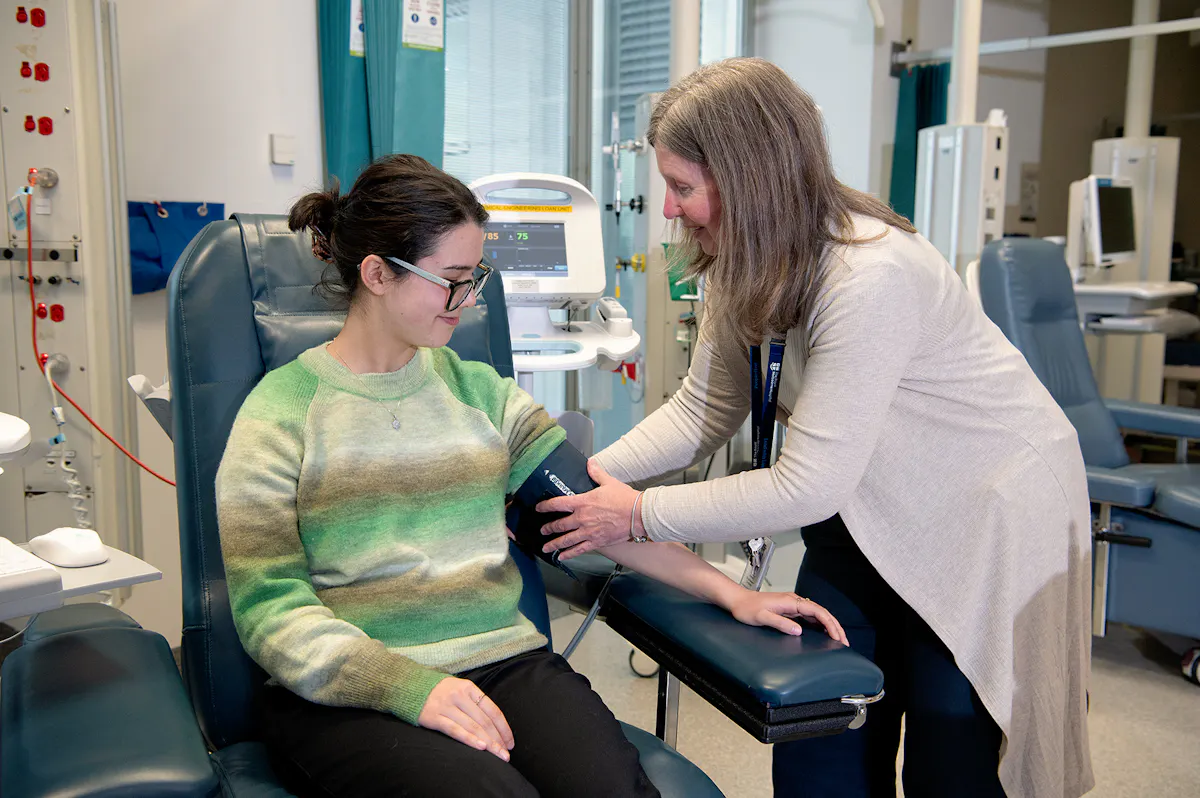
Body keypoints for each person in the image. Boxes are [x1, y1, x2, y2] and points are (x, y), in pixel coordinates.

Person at [537, 58, 1094, 798]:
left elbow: (807, 484)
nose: (668, 210)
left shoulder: (869, 274)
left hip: (982, 513)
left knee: (949, 752)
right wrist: (588, 480)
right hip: (866, 504)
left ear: (749, 177)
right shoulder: (742, 263)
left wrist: (632, 512)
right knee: (823, 738)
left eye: (681, 187)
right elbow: (703, 410)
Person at [215, 153, 847, 798]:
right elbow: (270, 609)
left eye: (477, 275)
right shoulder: (281, 413)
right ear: (376, 274)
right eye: (452, 278)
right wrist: (409, 688)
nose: (469, 299)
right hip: (349, 691)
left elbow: (594, 512)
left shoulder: (480, 395)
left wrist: (733, 594)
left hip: (503, 661)